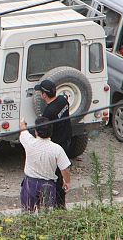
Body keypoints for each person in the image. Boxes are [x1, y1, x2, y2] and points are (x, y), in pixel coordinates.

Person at [19, 117, 71, 212]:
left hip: (30, 183)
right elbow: (64, 169)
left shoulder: (29, 142)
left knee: (27, 212)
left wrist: (23, 122)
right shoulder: (57, 149)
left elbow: (23, 131)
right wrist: (67, 182)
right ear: (51, 132)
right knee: (45, 214)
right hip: (48, 185)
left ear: (36, 132)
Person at [36, 79, 72, 209]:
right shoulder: (63, 100)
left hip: (57, 144)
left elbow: (45, 132)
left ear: (44, 95)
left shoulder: (48, 112)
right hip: (67, 139)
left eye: (41, 92)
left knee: (56, 177)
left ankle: (59, 206)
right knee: (61, 171)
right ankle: (59, 204)